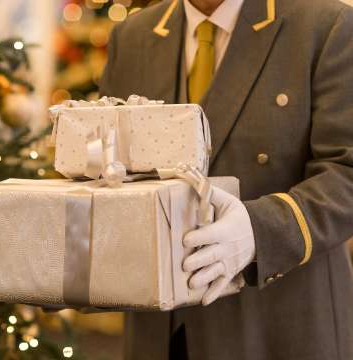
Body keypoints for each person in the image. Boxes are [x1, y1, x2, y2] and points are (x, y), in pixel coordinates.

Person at [99, 0, 353, 359]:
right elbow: (109, 169)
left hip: (278, 329)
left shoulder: (327, 25)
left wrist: (259, 231)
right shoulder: (133, 36)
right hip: (158, 334)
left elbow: (347, 173)